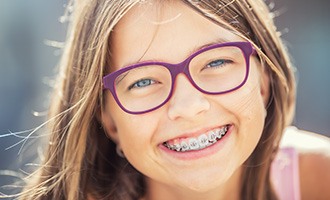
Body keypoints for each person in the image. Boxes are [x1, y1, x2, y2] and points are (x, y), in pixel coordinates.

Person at [9, 0, 330, 199]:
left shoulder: (319, 179)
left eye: (217, 62)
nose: (188, 107)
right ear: (107, 119)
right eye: (144, 81)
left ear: (264, 80)